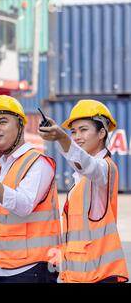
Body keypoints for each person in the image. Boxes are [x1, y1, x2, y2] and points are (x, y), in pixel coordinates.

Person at [0, 95, 61, 283]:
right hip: (1, 266)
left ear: (20, 125)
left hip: (33, 268)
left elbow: (23, 205)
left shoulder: (38, 163)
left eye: (3, 122)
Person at [38, 99, 129, 283]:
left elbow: (88, 165)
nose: (77, 136)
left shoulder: (105, 169)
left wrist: (62, 137)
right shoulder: (80, 178)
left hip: (101, 274)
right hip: (80, 274)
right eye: (73, 131)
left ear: (102, 133)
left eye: (83, 129)